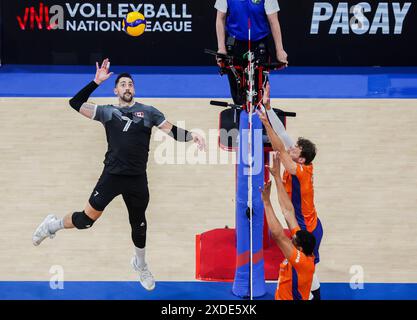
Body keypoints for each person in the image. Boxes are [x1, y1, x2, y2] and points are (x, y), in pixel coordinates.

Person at [32, 59, 206, 291]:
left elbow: (172, 131)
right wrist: (95, 82)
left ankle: (140, 264)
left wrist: (191, 135)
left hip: (136, 179)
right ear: (115, 90)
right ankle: (51, 226)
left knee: (139, 225)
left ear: (134, 90)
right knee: (85, 221)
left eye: (130, 84)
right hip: (112, 176)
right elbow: (75, 103)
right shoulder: (106, 112)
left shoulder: (149, 112)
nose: (127, 87)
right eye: (122, 84)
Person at [257, 83, 323, 300]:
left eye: (295, 149)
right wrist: (267, 107)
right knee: (307, 273)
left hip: (308, 227)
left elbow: (279, 149)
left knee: (306, 271)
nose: (291, 147)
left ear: (301, 159)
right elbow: (283, 135)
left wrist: (265, 122)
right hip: (305, 220)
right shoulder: (299, 162)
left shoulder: (300, 171)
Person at [261, 153, 316, 300]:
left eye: (294, 239)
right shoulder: (303, 248)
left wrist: (266, 202)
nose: (292, 237)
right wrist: (277, 178)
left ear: (300, 249)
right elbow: (288, 212)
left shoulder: (302, 262)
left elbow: (278, 236)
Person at [214, 0, 288, 105]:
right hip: (234, 41)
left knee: (260, 86)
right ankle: (240, 112)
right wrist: (221, 48)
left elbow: (273, 21)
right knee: (237, 86)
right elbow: (220, 19)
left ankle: (261, 114)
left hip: (259, 42)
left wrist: (280, 50)